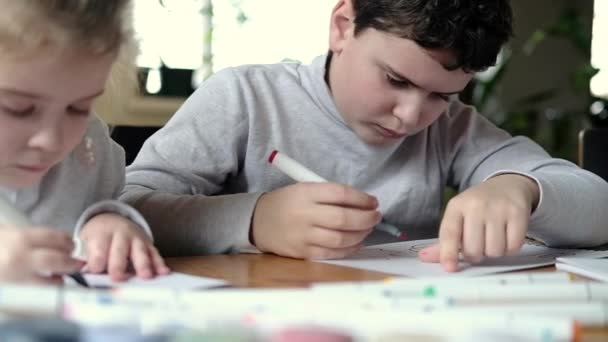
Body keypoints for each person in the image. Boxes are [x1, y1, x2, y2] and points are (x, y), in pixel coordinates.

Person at [123, 0, 608, 271]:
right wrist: (253, 221)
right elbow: (127, 207)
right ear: (342, 26)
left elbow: (600, 210)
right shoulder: (246, 97)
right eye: (396, 80)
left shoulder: (452, 127)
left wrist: (520, 188)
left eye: (441, 94)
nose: (411, 115)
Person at [0, 0, 170, 284]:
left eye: (78, 108)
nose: (51, 141)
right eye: (19, 108)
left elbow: (98, 209)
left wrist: (108, 221)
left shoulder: (89, 152)